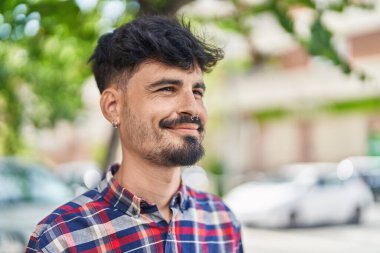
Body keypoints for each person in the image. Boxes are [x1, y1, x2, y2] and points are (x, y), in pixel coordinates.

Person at [26, 15, 243, 252]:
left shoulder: (222, 223)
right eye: (168, 89)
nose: (193, 108)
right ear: (113, 107)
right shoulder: (61, 240)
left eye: (197, 92)